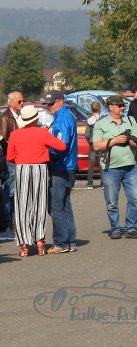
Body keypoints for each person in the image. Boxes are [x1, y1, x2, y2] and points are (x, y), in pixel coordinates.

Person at [7, 105, 66, 256]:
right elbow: (61, 146)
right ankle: (39, 241)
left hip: (22, 168)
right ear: (35, 119)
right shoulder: (42, 132)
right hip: (40, 168)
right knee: (39, 205)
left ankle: (24, 244)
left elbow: (10, 157)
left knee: (22, 206)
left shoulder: (15, 134)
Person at [92, 95, 137, 238]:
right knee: (112, 201)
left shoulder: (130, 120)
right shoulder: (101, 124)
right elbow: (96, 145)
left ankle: (130, 228)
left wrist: (133, 143)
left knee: (134, 198)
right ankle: (115, 228)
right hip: (110, 168)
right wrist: (115, 140)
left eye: (123, 106)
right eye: (120, 106)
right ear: (111, 107)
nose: (122, 108)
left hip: (130, 166)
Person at [44, 90, 79, 254]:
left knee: (57, 206)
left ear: (61, 102)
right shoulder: (64, 117)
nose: (49, 107)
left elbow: (61, 144)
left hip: (61, 167)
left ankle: (61, 243)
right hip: (68, 166)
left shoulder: (63, 119)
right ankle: (70, 241)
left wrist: (47, 154)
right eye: (48, 104)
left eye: (51, 104)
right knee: (65, 205)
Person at [0, 91, 23, 239]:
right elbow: (2, 140)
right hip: (10, 161)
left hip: (19, 160)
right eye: (19, 101)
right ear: (11, 102)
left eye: (23, 101)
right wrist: (12, 151)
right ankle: (7, 228)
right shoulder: (5, 118)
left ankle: (14, 225)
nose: (22, 103)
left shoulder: (18, 116)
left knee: (16, 195)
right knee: (9, 194)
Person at [85, 101, 102, 189]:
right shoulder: (103, 119)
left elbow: (87, 134)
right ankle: (103, 183)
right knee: (101, 162)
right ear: (100, 109)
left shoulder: (89, 120)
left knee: (91, 163)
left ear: (91, 109)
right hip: (101, 142)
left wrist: (89, 141)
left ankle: (90, 183)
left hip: (92, 142)